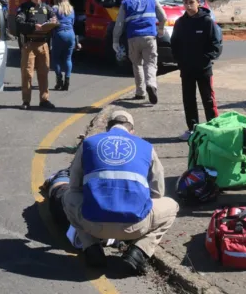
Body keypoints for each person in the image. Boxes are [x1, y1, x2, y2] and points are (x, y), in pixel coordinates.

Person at [42, 110, 179, 274]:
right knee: (172, 206)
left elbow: (75, 187)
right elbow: (157, 193)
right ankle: (139, 251)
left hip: (93, 224)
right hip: (135, 225)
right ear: (132, 131)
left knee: (69, 197)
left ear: (108, 128)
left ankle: (91, 246)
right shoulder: (146, 147)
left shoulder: (89, 144)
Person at [170, 0, 223, 141]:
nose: (188, 6)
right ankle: (192, 129)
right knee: (188, 99)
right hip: (186, 69)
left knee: (208, 99)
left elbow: (215, 45)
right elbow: (175, 44)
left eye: (191, 2)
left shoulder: (207, 21)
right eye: (185, 3)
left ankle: (214, 128)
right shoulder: (180, 23)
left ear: (198, 2)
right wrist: (180, 60)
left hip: (204, 69)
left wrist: (206, 59)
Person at [113, 0, 167, 104]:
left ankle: (140, 92)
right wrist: (160, 29)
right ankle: (151, 84)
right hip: (149, 36)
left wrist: (115, 40)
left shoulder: (125, 2)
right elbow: (163, 17)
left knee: (137, 64)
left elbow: (119, 24)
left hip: (133, 37)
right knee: (151, 63)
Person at [14, 0, 57, 110]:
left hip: (43, 44)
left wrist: (53, 21)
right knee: (27, 73)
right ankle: (26, 101)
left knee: (44, 73)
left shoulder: (46, 8)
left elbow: (53, 18)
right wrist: (33, 26)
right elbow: (19, 23)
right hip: (30, 45)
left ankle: (44, 100)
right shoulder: (24, 8)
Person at [50, 0, 77, 91]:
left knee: (56, 58)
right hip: (71, 34)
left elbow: (52, 22)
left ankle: (59, 80)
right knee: (68, 58)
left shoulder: (55, 9)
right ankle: (67, 80)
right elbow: (72, 22)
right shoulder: (71, 9)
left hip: (59, 34)